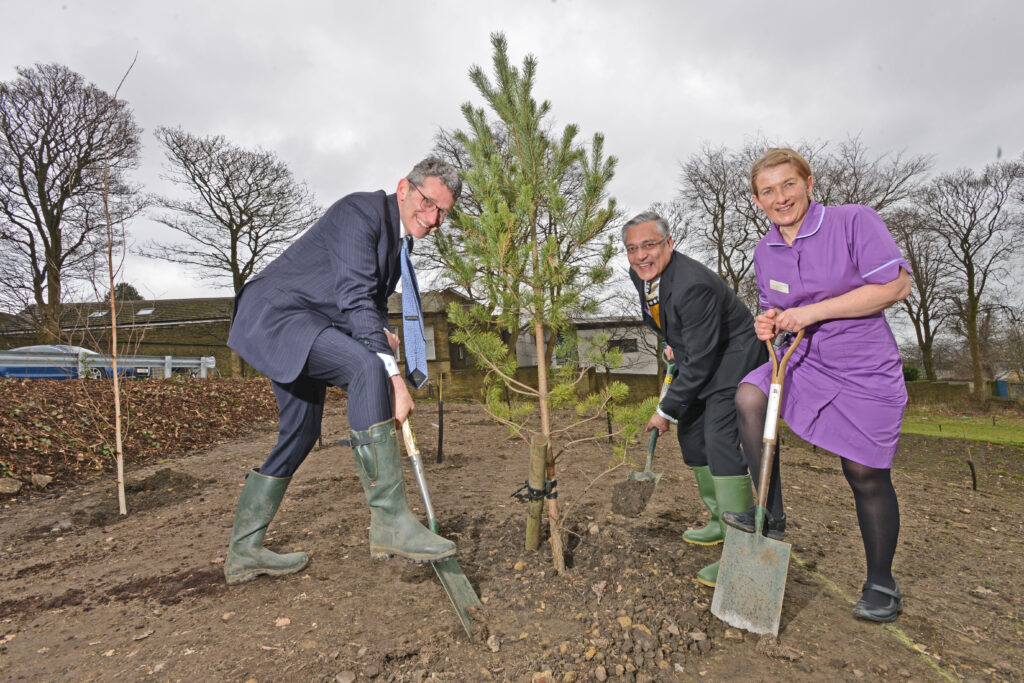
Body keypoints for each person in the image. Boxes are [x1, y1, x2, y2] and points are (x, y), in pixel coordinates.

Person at [222, 157, 462, 585]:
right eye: (428, 202)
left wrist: (383, 334)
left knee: (299, 431)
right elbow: (353, 296)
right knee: (366, 368)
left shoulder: (397, 242)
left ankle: (244, 551)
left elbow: (365, 304)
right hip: (279, 316)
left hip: (311, 325)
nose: (435, 218)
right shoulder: (361, 213)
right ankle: (390, 523)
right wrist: (392, 377)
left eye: (444, 211)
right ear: (404, 187)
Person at [721, 148, 911, 623]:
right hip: (802, 356)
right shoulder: (765, 251)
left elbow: (896, 286)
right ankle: (772, 514)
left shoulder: (853, 221)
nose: (780, 197)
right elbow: (774, 307)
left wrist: (811, 312)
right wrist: (769, 323)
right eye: (768, 191)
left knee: (864, 474)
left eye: (788, 184)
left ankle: (881, 584)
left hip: (863, 362)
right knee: (749, 396)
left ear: (808, 182)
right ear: (756, 200)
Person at [624, 211, 767, 587]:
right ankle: (721, 520)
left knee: (719, 438)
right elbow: (668, 320)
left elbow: (703, 359)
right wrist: (673, 343)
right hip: (701, 352)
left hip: (732, 357)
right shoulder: (643, 278)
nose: (641, 255)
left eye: (650, 245)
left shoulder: (693, 284)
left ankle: (741, 548)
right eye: (632, 248)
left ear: (669, 244)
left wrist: (664, 411)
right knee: (692, 436)